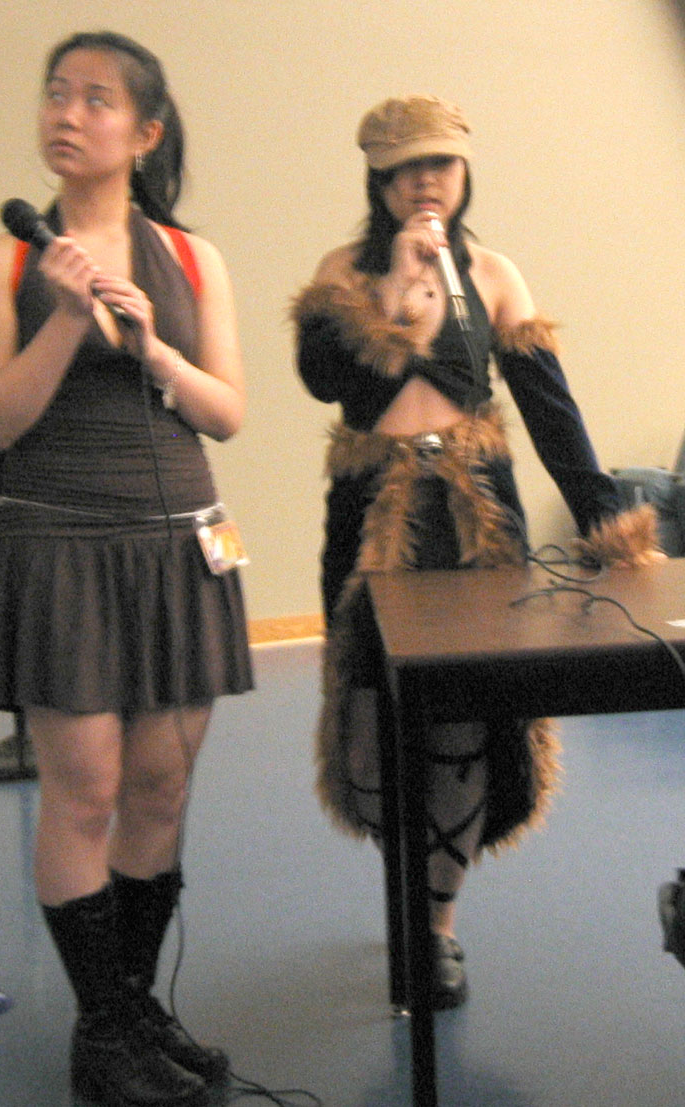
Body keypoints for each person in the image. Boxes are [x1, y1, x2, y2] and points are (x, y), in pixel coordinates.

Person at [292, 95, 660, 1010]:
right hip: (372, 514)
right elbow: (322, 380)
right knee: (375, 718)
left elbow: (551, 411)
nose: (426, 181)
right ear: (378, 181)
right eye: (405, 168)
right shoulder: (342, 273)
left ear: (463, 172)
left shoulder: (494, 275)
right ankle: (402, 897)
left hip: (476, 516)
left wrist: (608, 522)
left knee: (462, 721)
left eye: (442, 164)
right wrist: (396, 295)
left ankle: (437, 926)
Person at [0, 30, 252, 1107]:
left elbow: (226, 410)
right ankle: (103, 1033)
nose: (66, 113)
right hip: (61, 549)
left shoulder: (190, 259)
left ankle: (132, 1008)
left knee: (161, 786)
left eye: (95, 99)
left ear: (145, 132)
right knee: (83, 793)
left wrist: (153, 347)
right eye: (56, 94)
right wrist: (67, 321)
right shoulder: (1, 263)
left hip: (180, 543)